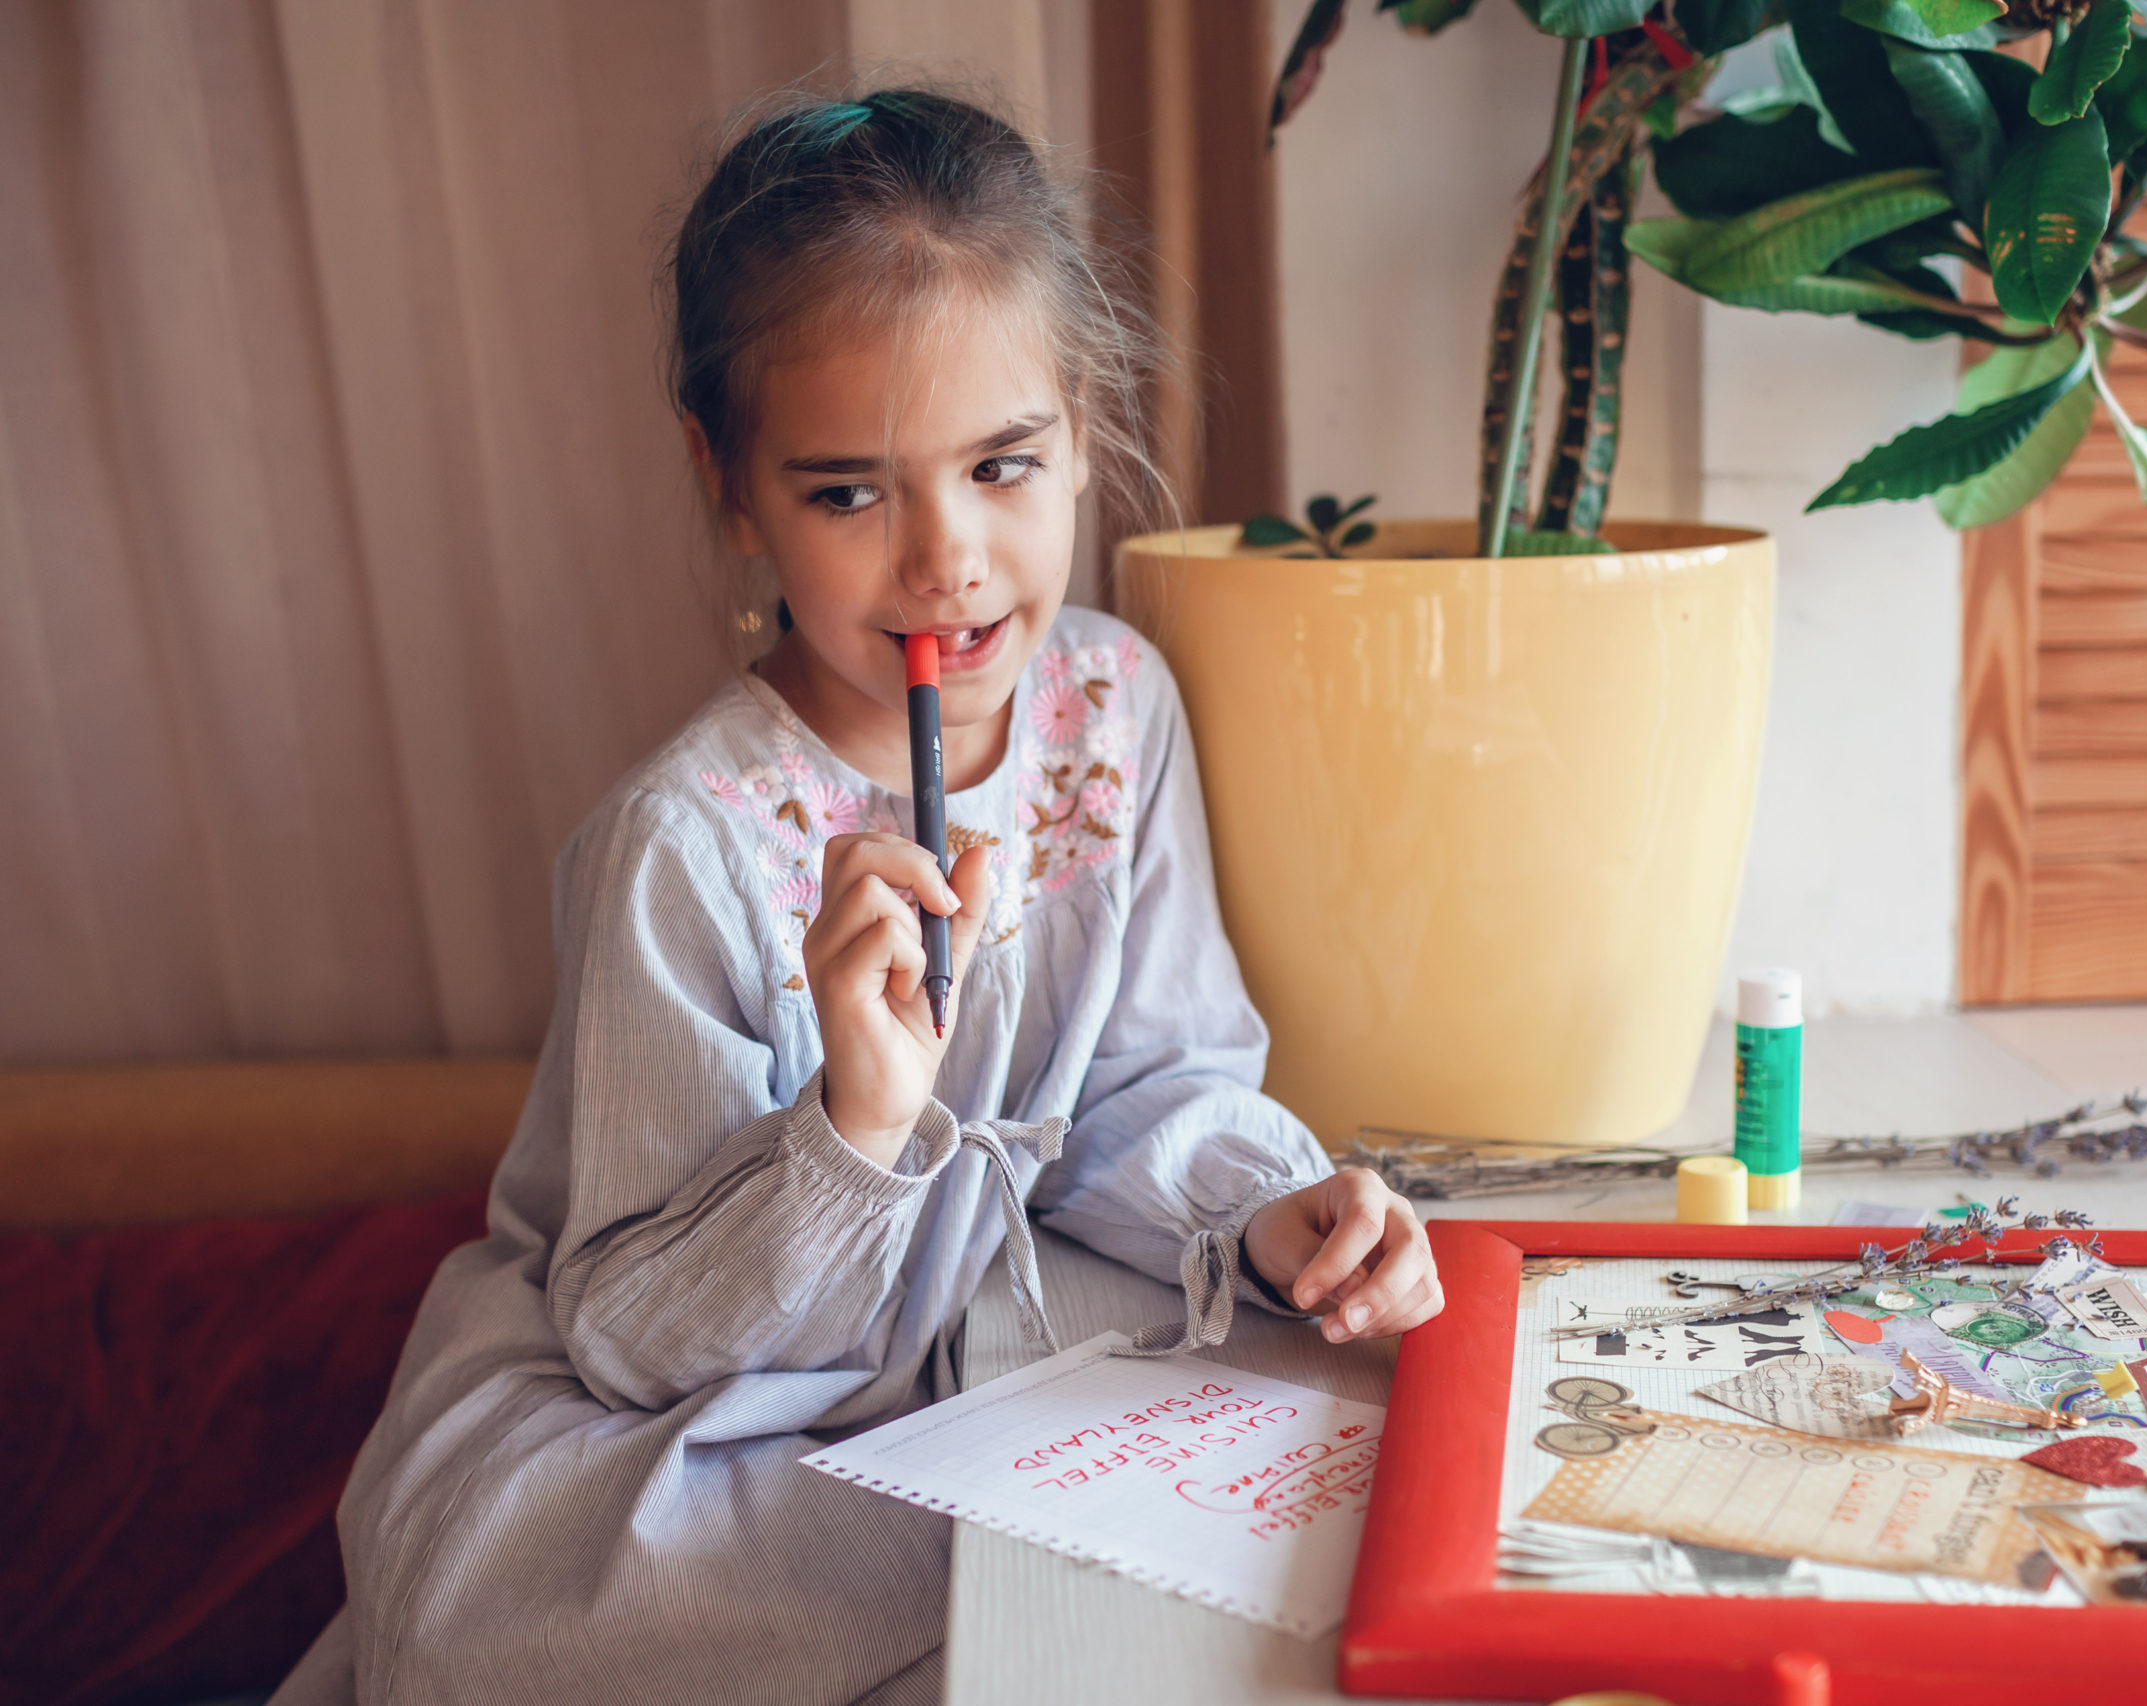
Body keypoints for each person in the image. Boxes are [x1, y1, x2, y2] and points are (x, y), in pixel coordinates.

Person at [272, 89, 1441, 1706]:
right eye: (847, 493)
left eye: (1003, 465)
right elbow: (635, 1333)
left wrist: (1268, 1207)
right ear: (730, 485)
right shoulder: (682, 842)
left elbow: (1153, 1080)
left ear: (1085, 429)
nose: (945, 559)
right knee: (554, 1628)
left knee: (1377, 1450)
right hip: (683, 1419)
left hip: (969, 1344)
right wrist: (856, 1127)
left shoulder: (1115, 703)